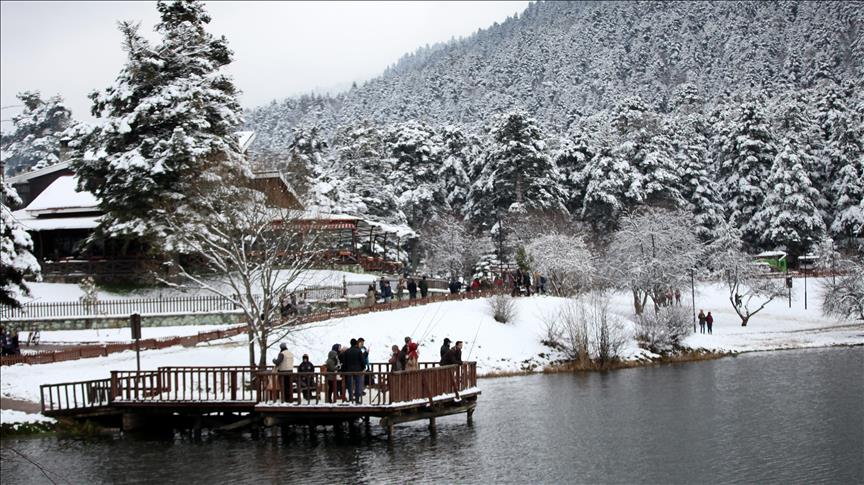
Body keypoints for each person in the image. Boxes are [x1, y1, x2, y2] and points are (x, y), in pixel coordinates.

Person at [341, 338, 365, 404]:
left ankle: (351, 398)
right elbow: (362, 361)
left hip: (349, 371)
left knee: (350, 385)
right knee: (358, 385)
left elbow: (344, 362)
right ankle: (357, 399)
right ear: (356, 343)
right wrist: (363, 368)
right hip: (357, 371)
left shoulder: (347, 351)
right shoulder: (359, 351)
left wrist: (343, 370)